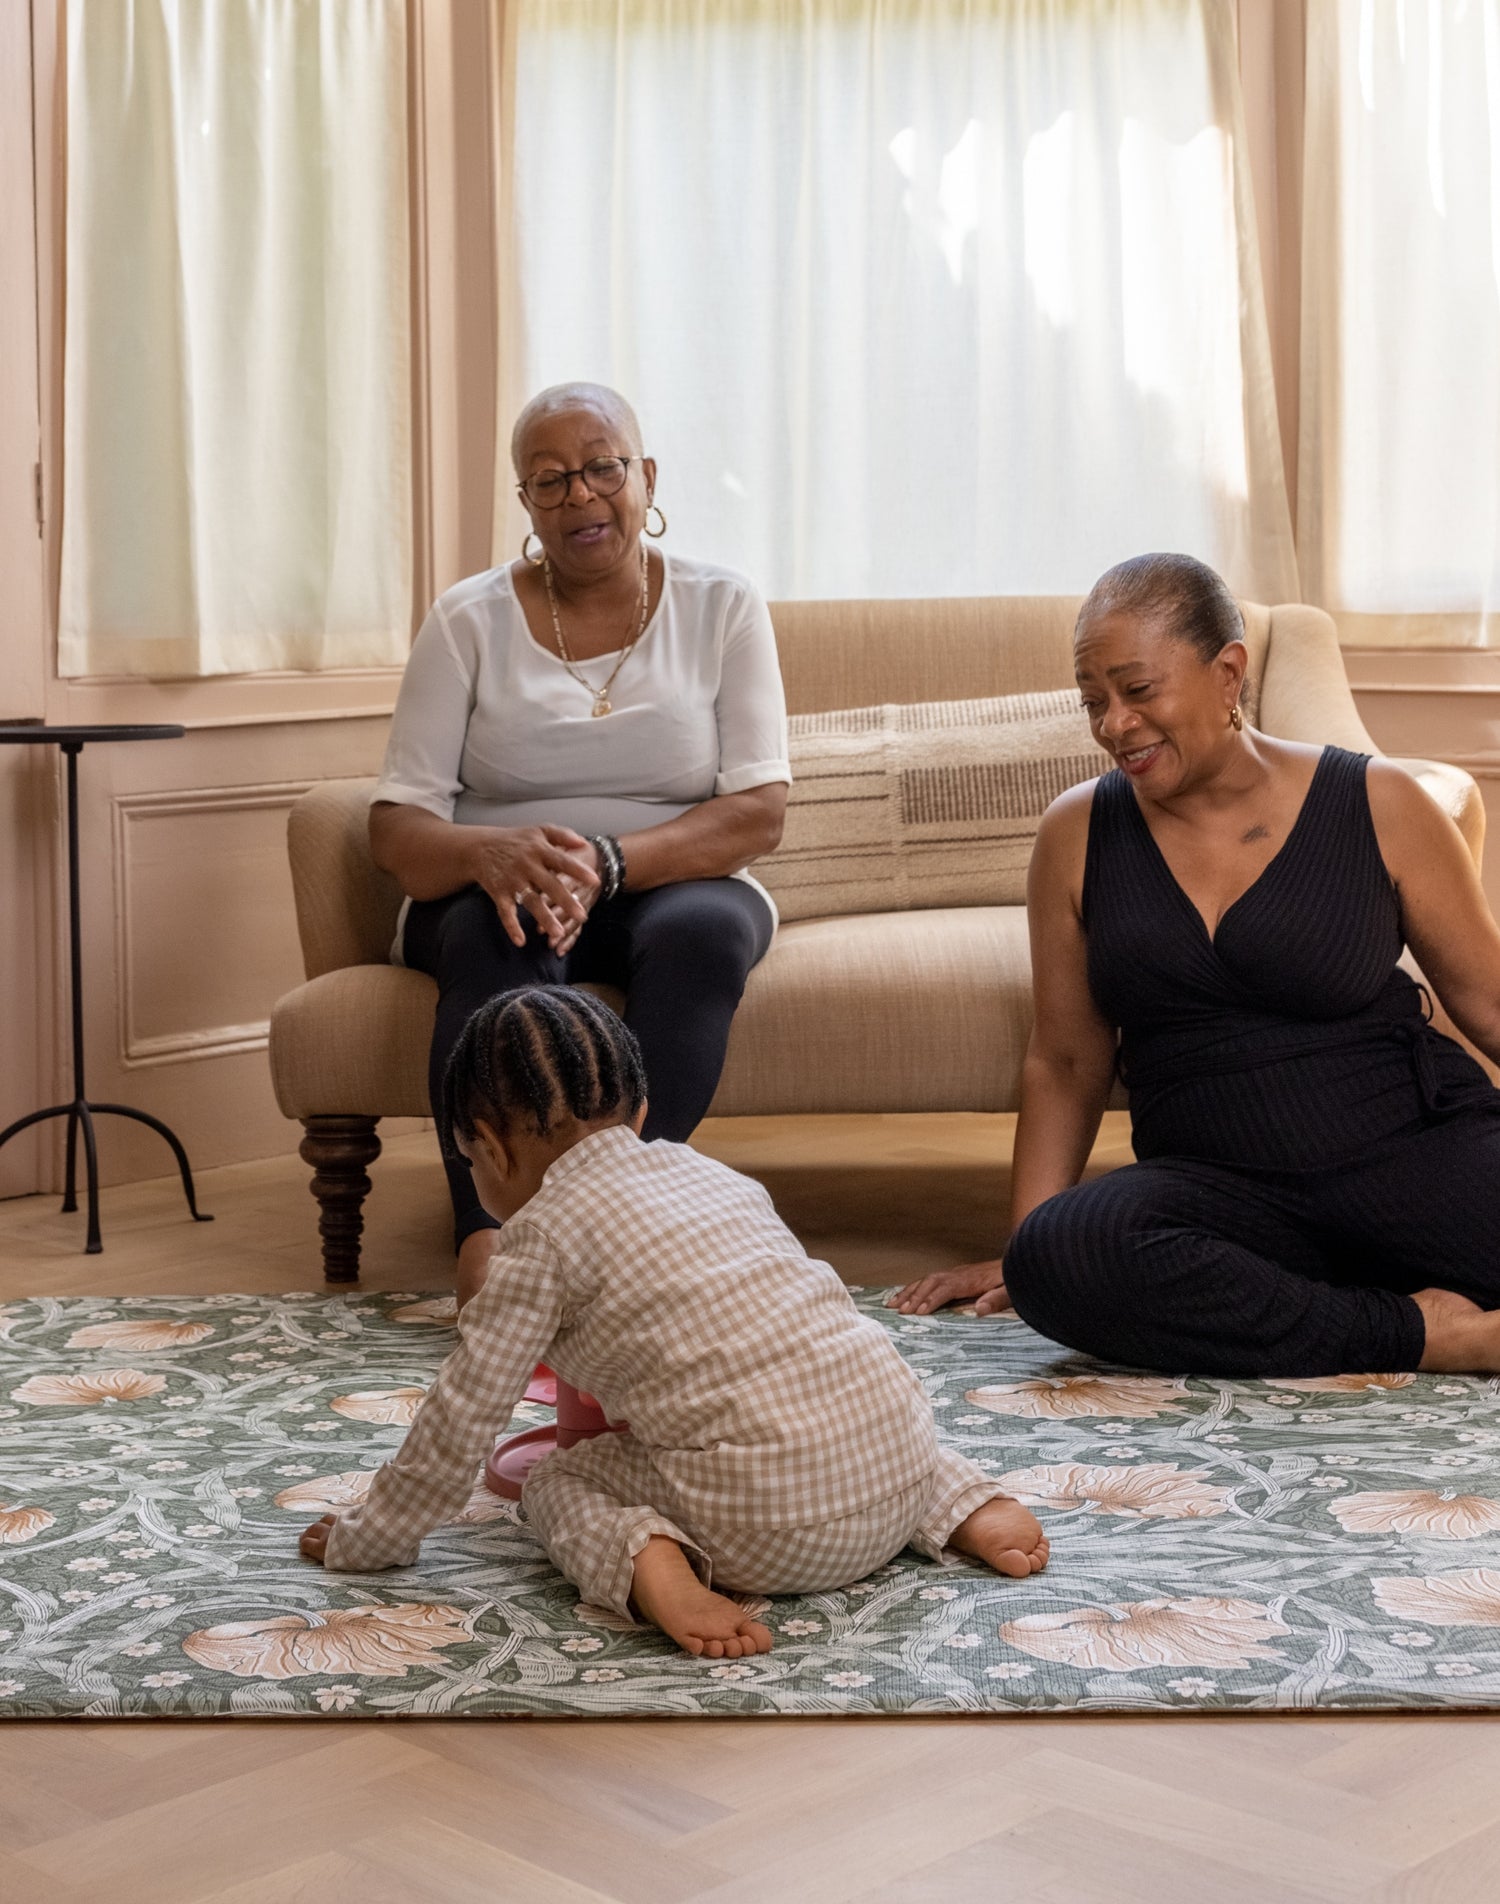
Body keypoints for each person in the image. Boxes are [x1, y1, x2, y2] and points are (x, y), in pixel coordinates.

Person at [889, 552, 1500, 1378]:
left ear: (1228, 673)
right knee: (1059, 1258)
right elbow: (1067, 1060)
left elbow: (1487, 1003)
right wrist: (1027, 1245)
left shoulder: (1378, 801)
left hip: (1406, 1158)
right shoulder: (1076, 834)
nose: (1114, 724)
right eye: (1094, 702)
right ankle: (1425, 1333)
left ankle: (1292, 1308)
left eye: (1139, 691)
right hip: (1220, 1198)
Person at [297, 988, 1049, 1657]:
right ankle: (966, 1505)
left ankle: (656, 1567)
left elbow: (459, 1425)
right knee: (847, 1394)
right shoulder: (715, 1177)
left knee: (558, 1479)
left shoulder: (539, 1244)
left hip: (769, 1537)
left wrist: (372, 1538)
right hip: (897, 1474)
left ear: (488, 1148)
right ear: (642, 1114)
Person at [371, 382, 791, 1305]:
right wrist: (488, 855)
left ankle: (617, 1226)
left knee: (703, 935)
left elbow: (758, 810)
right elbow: (396, 828)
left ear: (644, 476)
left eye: (602, 468)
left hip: (671, 874)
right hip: (498, 882)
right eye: (550, 481)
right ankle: (488, 1235)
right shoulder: (466, 620)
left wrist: (609, 863)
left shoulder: (723, 605)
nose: (581, 498)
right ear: (525, 505)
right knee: (495, 936)